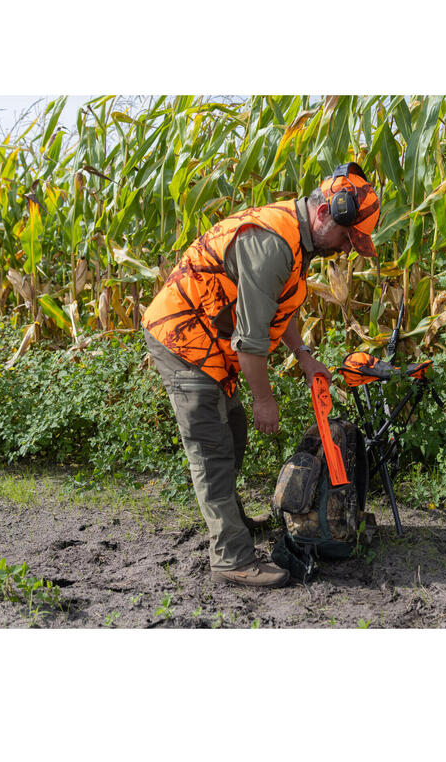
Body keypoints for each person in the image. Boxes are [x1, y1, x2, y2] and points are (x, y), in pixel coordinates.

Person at [142, 162, 380, 588]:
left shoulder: (296, 240)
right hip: (182, 337)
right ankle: (231, 557)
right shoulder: (272, 244)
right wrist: (264, 401)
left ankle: (228, 521)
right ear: (324, 213)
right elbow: (250, 343)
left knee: (232, 434)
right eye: (346, 237)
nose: (346, 249)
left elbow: (274, 305)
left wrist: (303, 355)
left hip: (213, 340)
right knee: (212, 448)